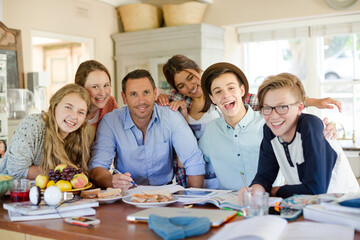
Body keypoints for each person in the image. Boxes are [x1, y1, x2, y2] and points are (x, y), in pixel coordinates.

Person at [158, 55, 341, 189]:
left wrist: (325, 128)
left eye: (231, 88)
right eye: (218, 92)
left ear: (242, 90)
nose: (226, 95)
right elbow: (187, 162)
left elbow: (289, 109)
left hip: (269, 202)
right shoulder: (209, 129)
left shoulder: (269, 123)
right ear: (212, 97)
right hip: (226, 206)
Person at [238, 73, 359, 198]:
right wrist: (256, 189)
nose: (273, 116)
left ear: (300, 107)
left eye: (282, 107)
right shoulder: (270, 131)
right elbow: (264, 176)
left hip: (344, 207)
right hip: (306, 207)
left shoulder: (310, 125)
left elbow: (315, 189)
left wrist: (274, 191)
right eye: (267, 108)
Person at [88, 69, 205, 191]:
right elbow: (98, 166)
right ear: (124, 97)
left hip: (166, 194)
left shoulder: (171, 116)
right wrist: (112, 181)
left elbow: (193, 160)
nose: (141, 101)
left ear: (155, 93)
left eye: (146, 92)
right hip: (127, 195)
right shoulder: (111, 121)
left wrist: (194, 199)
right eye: (133, 94)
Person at [0, 84, 91, 179]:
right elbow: (16, 171)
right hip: (12, 191)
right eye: (68, 107)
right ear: (55, 106)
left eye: (81, 112)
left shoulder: (78, 134)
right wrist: (64, 172)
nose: (74, 116)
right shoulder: (34, 124)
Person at [75, 60, 118, 143]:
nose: (102, 93)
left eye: (106, 85)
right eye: (95, 87)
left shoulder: (110, 103)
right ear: (81, 88)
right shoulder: (72, 111)